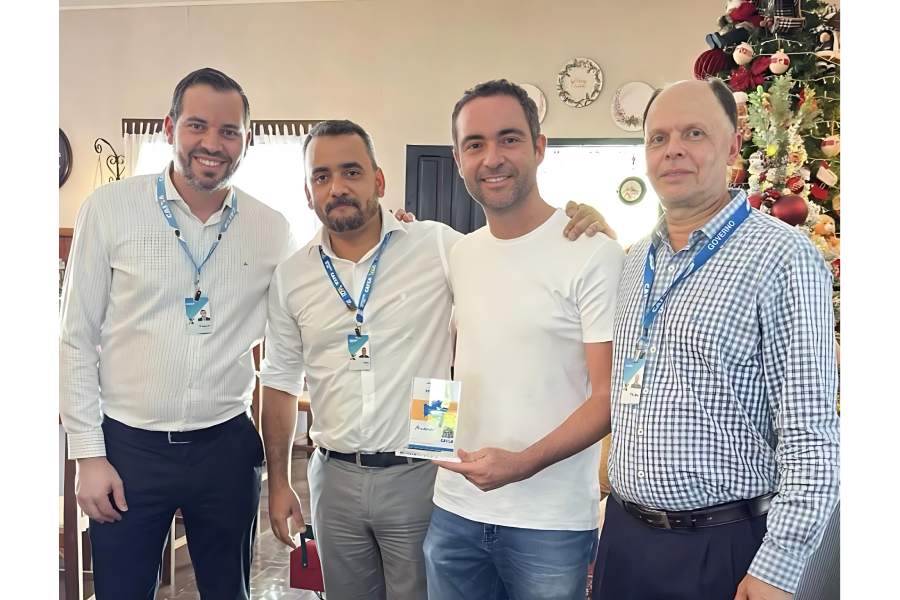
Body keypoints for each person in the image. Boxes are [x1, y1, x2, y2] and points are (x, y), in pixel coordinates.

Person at [259, 119, 606, 600]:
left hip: (420, 472)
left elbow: (515, 257)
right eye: (322, 176)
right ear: (307, 192)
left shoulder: (438, 246)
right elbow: (279, 379)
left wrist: (588, 230)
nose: (337, 187)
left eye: (352, 172)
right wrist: (279, 482)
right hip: (333, 477)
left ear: (379, 181)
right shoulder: (292, 276)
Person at [592, 78, 839, 600]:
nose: (673, 150)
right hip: (625, 539)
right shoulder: (635, 261)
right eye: (658, 138)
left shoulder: (782, 257)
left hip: (723, 546)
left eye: (694, 133)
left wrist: (778, 567)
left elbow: (811, 436)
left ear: (733, 144)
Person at [59, 67, 295, 599]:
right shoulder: (110, 209)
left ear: (247, 140)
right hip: (128, 448)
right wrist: (88, 454)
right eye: (197, 126)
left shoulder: (271, 228)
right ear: (169, 128)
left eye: (229, 131)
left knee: (229, 592)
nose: (212, 144)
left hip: (226, 447)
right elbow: (75, 337)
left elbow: (304, 311)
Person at [424, 79, 625, 600]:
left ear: (539, 147)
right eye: (475, 144)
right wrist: (432, 443)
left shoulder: (593, 252)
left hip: (549, 521)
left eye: (509, 139)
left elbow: (609, 397)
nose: (492, 158)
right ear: (458, 160)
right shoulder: (460, 253)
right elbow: (453, 360)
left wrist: (522, 463)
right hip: (454, 510)